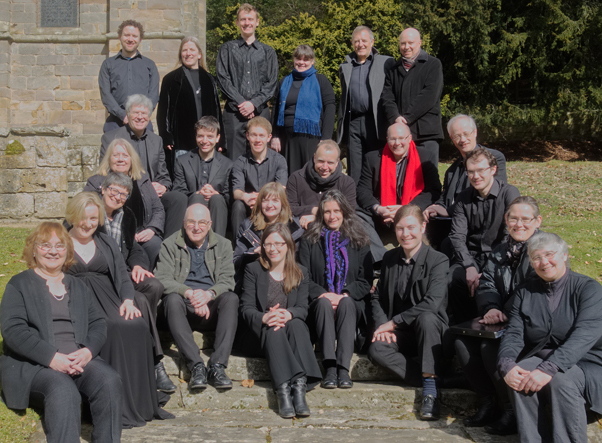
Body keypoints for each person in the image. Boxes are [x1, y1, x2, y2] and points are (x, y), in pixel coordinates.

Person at [0, 222, 122, 443]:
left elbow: (98, 323)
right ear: (33, 250)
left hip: (78, 361)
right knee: (63, 389)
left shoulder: (78, 285)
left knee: (109, 381)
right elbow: (13, 330)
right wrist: (52, 358)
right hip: (36, 366)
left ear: (67, 251)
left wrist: (88, 352)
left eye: (59, 246)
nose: (53, 251)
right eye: (45, 245)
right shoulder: (19, 284)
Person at [64, 192, 173, 428]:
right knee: (111, 328)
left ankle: (139, 402)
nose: (88, 224)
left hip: (109, 296)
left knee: (137, 325)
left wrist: (127, 300)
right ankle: (112, 404)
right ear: (72, 216)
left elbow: (122, 274)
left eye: (94, 219)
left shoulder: (105, 241)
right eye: (84, 218)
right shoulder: (61, 242)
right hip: (77, 300)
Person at [498, 232, 602, 443]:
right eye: (536, 257)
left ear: (564, 255)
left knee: (560, 379)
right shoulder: (525, 291)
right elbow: (514, 333)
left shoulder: (589, 289)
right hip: (545, 357)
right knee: (521, 373)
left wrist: (549, 368)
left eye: (549, 254)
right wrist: (507, 364)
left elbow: (584, 335)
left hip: (589, 361)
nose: (544, 262)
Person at [455, 196, 542, 436]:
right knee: (462, 342)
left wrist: (504, 312)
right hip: (501, 318)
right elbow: (488, 282)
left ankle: (511, 410)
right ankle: (488, 402)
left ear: (537, 222)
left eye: (526, 219)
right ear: (506, 220)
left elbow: (533, 287)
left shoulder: (542, 250)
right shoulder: (501, 250)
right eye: (513, 218)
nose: (519, 224)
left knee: (489, 347)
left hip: (530, 324)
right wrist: (490, 308)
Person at [368, 205, 449, 421]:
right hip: (402, 332)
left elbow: (432, 303)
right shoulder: (389, 259)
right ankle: (434, 379)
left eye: (411, 228)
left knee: (426, 317)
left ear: (422, 227)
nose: (406, 234)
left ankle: (430, 392)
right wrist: (382, 324)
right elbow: (376, 296)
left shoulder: (438, 260)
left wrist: (393, 322)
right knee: (377, 348)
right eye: (400, 229)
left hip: (431, 331)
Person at [99, 172, 176, 393]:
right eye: (114, 190)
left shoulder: (128, 216)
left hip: (124, 272)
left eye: (123, 194)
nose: (118, 196)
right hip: (102, 276)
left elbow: (134, 249)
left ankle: (140, 334)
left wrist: (139, 266)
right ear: (103, 189)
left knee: (155, 286)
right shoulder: (91, 213)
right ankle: (155, 363)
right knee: (140, 300)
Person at [240, 223, 322, 418]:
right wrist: (265, 317)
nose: (273, 249)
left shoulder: (300, 272)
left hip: (291, 332)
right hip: (259, 334)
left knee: (296, 323)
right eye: (268, 244)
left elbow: (302, 308)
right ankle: (284, 390)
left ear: (288, 245)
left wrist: (288, 314)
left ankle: (299, 389)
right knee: (273, 328)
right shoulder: (253, 269)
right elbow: (246, 309)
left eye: (278, 243)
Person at [154, 203, 239, 391]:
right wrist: (190, 293)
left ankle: (217, 366)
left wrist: (208, 295)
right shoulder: (170, 244)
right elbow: (162, 279)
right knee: (172, 300)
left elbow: (227, 281)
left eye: (202, 222)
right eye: (191, 222)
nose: (196, 227)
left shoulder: (224, 245)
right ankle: (196, 366)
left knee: (231, 299)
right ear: (184, 223)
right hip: (181, 308)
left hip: (211, 308)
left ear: (210, 224)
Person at [299, 190, 373, 389]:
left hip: (350, 303)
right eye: (327, 212)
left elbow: (365, 281)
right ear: (321, 214)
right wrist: (323, 294)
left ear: (344, 212)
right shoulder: (309, 240)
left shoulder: (360, 240)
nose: (332, 216)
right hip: (319, 302)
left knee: (347, 303)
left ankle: (343, 368)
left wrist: (344, 295)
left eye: (337, 211)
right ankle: (330, 367)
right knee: (323, 303)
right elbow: (302, 276)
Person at [447, 147, 520, 324]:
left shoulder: (509, 193)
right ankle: (462, 326)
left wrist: (487, 270)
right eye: (471, 172)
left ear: (493, 169)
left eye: (481, 170)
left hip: (501, 257)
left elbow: (509, 235)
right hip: (471, 257)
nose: (475, 176)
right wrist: (469, 266)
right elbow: (457, 236)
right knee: (451, 278)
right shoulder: (463, 198)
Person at [101, 94, 188, 239]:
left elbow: (164, 176)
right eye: (136, 113)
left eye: (144, 113)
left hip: (152, 195)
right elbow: (104, 172)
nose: (140, 117)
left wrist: (163, 187)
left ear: (149, 116)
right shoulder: (110, 138)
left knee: (178, 198)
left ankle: (169, 246)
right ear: (127, 115)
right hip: (126, 193)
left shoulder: (157, 140)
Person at [356, 122, 441, 261]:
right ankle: (382, 257)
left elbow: (434, 190)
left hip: (413, 212)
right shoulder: (372, 158)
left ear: (409, 138)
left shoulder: (425, 157)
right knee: (356, 215)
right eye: (393, 139)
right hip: (383, 215)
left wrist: (407, 209)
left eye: (401, 138)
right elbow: (362, 190)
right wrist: (379, 209)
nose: (397, 143)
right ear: (387, 139)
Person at [423, 114, 507, 248]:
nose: (463, 140)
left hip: (481, 225)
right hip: (451, 224)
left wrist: (449, 210)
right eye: (457, 136)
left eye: (466, 134)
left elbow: (490, 196)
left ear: (475, 133)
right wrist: (435, 207)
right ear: (451, 138)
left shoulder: (494, 158)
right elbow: (445, 197)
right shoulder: (451, 170)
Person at [85, 138, 165, 267]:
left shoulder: (142, 180)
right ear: (108, 159)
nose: (120, 159)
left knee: (156, 246)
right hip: (113, 234)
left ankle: (147, 279)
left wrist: (152, 229)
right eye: (115, 155)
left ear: (131, 159)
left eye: (125, 155)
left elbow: (158, 209)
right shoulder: (96, 182)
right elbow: (84, 207)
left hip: (143, 232)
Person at [216, 3, 278, 160]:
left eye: (250, 19)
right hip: (234, 114)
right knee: (233, 160)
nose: (247, 23)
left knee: (260, 158)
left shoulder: (268, 52)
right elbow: (223, 79)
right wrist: (242, 102)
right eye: (243, 19)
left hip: (260, 113)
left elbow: (271, 83)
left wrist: (253, 103)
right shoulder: (227, 49)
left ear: (257, 22)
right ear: (237, 23)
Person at [157, 36, 225, 178]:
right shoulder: (170, 79)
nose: (188, 53)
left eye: (192, 50)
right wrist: (166, 136)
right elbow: (163, 111)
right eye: (184, 50)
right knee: (184, 179)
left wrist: (221, 138)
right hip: (182, 139)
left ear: (199, 54)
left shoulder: (210, 79)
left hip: (206, 138)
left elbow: (217, 111)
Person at [337, 26, 395, 184]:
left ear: (372, 42)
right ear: (352, 43)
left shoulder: (386, 62)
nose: (360, 44)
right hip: (354, 122)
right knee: (355, 165)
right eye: (356, 41)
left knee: (375, 162)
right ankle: (354, 201)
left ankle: (375, 200)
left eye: (364, 40)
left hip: (376, 121)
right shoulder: (345, 67)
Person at [380, 27, 443, 166]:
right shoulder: (393, 69)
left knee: (428, 178)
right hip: (401, 137)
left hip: (426, 133)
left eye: (410, 43)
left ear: (419, 43)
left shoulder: (433, 64)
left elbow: (429, 95)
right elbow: (387, 96)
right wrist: (395, 118)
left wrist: (406, 118)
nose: (406, 47)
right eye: (403, 43)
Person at [270, 44, 336, 173]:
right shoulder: (284, 81)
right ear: (294, 60)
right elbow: (276, 109)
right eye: (298, 59)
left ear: (312, 61)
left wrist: (326, 138)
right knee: (289, 174)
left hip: (312, 139)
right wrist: (275, 135)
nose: (301, 62)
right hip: (287, 138)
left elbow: (330, 108)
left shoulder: (321, 81)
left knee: (309, 173)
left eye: (306, 59)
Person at [233, 182, 303, 290]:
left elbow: (299, 261)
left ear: (283, 203)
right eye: (265, 200)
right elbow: (236, 261)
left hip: (287, 281)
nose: (270, 205)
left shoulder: (295, 227)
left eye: (275, 200)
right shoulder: (247, 226)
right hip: (256, 282)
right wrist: (253, 253)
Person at [172, 116, 233, 237]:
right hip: (192, 206)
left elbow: (229, 195)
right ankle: (192, 243)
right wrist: (198, 193)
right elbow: (178, 190)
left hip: (217, 208)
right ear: (196, 137)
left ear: (217, 138)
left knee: (218, 199)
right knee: (197, 199)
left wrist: (215, 193)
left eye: (210, 136)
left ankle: (216, 245)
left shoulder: (228, 164)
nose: (205, 141)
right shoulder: (182, 161)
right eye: (200, 136)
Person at [99, 20, 159, 133]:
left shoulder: (149, 65)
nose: (130, 39)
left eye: (134, 36)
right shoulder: (108, 65)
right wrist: (123, 116)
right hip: (116, 122)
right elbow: (106, 95)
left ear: (140, 39)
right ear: (120, 37)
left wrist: (140, 115)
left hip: (142, 122)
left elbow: (154, 94)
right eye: (127, 35)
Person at [231, 116, 288, 235]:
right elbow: (237, 191)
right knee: (238, 205)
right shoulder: (240, 162)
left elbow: (281, 189)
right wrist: (245, 196)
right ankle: (239, 247)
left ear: (269, 137)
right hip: (249, 205)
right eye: (253, 135)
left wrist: (262, 199)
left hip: (271, 203)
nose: (258, 140)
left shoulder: (279, 160)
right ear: (247, 136)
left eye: (262, 135)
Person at [285, 140, 355, 229]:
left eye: (330, 163)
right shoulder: (296, 178)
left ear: (337, 162)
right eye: (321, 161)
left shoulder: (347, 182)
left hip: (335, 231)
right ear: (314, 158)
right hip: (302, 230)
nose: (325, 167)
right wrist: (313, 210)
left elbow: (349, 212)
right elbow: (289, 208)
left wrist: (318, 216)